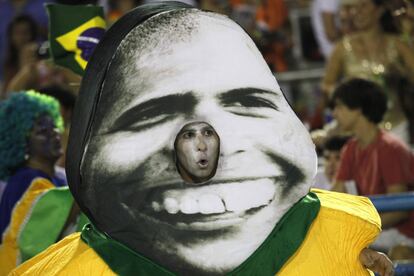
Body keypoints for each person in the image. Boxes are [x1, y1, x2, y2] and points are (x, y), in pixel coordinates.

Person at [12, 3, 393, 275]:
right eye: (154, 115)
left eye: (246, 104)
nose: (203, 149)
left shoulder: (322, 238)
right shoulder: (79, 263)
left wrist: (342, 251)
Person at [331, 78, 414, 254]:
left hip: (401, 233)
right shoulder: (350, 149)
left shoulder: (391, 148)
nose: (335, 113)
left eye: (340, 106)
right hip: (371, 229)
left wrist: (359, 230)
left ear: (358, 109)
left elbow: (399, 211)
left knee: (398, 255)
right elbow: (335, 197)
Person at [0, 90, 66, 238]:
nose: (54, 133)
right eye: (43, 131)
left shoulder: (62, 176)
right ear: (23, 143)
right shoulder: (23, 182)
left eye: (54, 126)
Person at [322, 0, 414, 96]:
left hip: (394, 109)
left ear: (379, 10)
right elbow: (327, 84)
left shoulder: (398, 45)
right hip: (358, 110)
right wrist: (346, 97)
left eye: (363, 6)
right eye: (355, 7)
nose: (357, 11)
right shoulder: (342, 47)